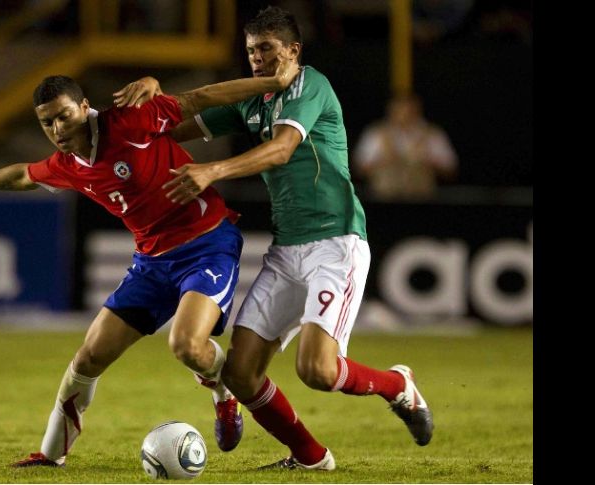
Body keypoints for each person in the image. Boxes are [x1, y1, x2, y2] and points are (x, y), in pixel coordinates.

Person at [0, 63, 300, 467]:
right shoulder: (67, 165)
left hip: (207, 244)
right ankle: (51, 456)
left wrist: (273, 83)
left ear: (84, 107)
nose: (57, 130)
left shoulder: (130, 120)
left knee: (187, 345)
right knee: (88, 358)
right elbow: (22, 175)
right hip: (151, 265)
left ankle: (224, 394)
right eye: (47, 123)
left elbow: (199, 98)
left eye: (64, 117)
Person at [122, 5, 435, 470]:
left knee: (317, 370)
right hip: (286, 249)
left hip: (337, 241)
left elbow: (283, 148)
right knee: (240, 374)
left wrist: (214, 170)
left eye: (267, 49)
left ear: (293, 50)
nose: (258, 60)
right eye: (251, 51)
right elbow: (172, 124)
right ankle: (311, 458)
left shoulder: (313, 86)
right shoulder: (252, 101)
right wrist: (143, 109)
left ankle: (398, 386)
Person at [353, 93, 458, 201]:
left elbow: (450, 168)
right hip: (383, 200)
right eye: (399, 110)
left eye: (408, 110)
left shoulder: (432, 134)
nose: (403, 114)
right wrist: (383, 161)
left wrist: (428, 161)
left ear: (417, 110)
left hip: (422, 200)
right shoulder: (375, 134)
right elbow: (359, 168)